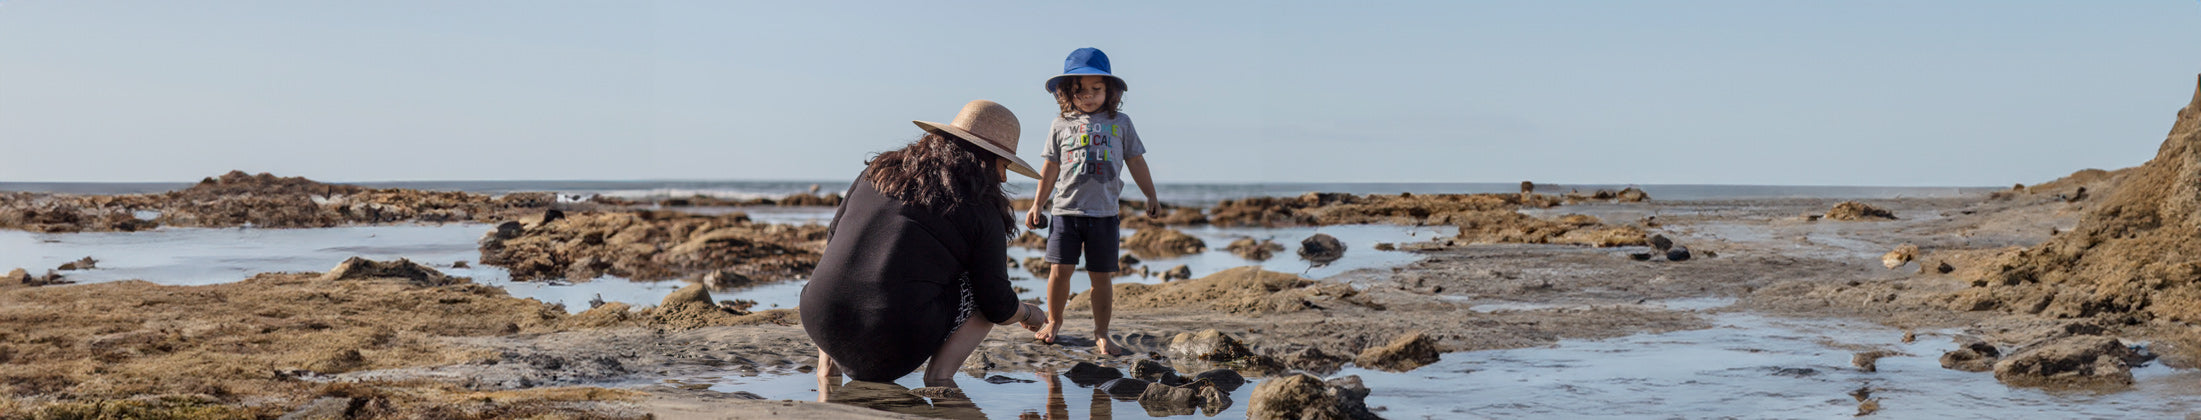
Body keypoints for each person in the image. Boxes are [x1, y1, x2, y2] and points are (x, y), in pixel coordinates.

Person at [802, 100, 1049, 390]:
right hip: (895, 342)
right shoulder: (982, 210)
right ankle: (939, 378)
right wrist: (1030, 313)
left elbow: (834, 237)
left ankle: (826, 373)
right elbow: (997, 304)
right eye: (1004, 164)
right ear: (985, 159)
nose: (1005, 176)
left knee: (845, 260)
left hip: (818, 317)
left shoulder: (879, 171)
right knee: (979, 287)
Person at [1025, 47, 1160, 356]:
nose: (1087, 96)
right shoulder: (1060, 124)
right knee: (1059, 271)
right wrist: (1036, 204)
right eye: (1079, 90)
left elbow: (1136, 162)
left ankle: (1101, 334)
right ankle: (1054, 321)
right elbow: (1050, 167)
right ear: (1065, 93)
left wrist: (1150, 195)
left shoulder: (1121, 123)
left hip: (1104, 214)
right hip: (1065, 211)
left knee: (1101, 278)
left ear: (1109, 90)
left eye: (1095, 89)